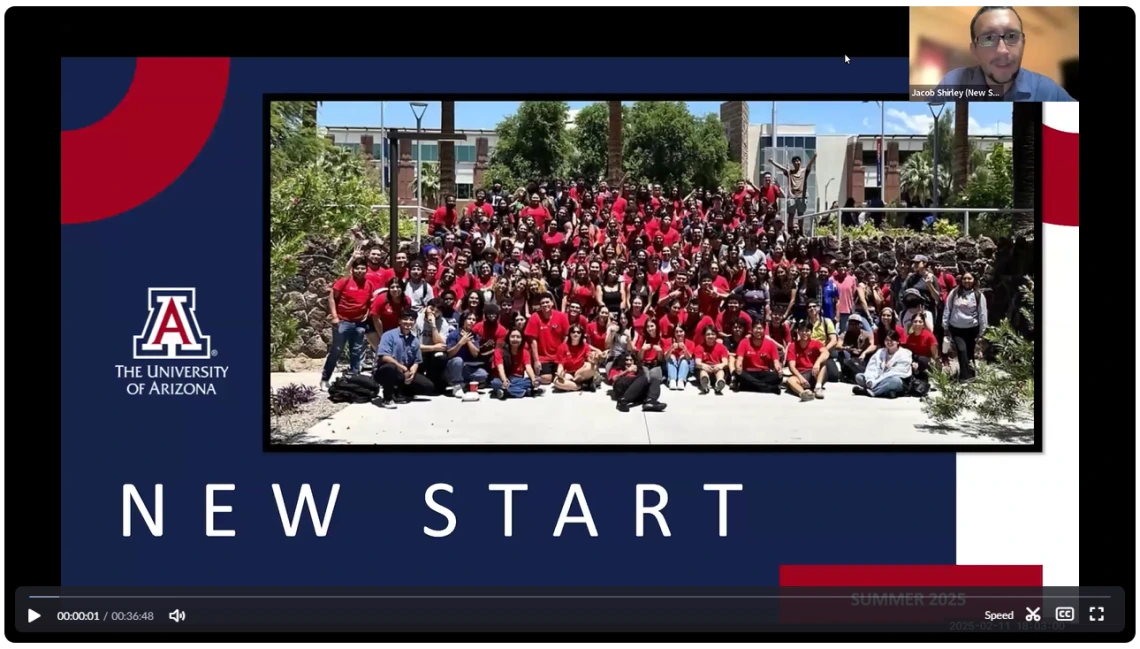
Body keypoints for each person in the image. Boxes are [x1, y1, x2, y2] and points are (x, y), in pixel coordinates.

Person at [937, 6, 1074, 102]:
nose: (1003, 50)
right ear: (975, 50)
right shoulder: (953, 83)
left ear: (1023, 44)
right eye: (989, 38)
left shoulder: (1046, 91)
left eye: (1012, 36)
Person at [320, 258, 374, 390]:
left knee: (356, 352)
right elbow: (332, 297)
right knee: (336, 351)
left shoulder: (369, 284)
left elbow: (370, 300)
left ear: (366, 270)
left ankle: (355, 380)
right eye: (358, 268)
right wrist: (334, 316)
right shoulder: (344, 281)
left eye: (363, 268)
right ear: (353, 269)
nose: (360, 271)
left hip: (359, 323)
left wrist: (367, 312)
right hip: (343, 322)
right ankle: (325, 379)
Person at [374, 309, 436, 408]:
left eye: (411, 320)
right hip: (387, 371)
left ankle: (400, 391)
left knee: (428, 387)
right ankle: (387, 398)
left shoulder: (414, 340)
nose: (408, 322)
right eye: (405, 319)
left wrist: (413, 371)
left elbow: (417, 360)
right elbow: (384, 356)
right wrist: (404, 368)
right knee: (390, 367)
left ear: (415, 322)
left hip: (403, 373)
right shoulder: (389, 335)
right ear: (399, 321)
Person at [942, 270, 988, 381]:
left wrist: (982, 330)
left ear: (974, 280)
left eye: (969, 278)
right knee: (962, 350)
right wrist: (945, 325)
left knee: (970, 351)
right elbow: (948, 308)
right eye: (964, 279)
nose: (967, 281)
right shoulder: (954, 293)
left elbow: (982, 313)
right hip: (956, 328)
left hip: (972, 328)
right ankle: (964, 377)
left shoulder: (978, 295)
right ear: (961, 280)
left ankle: (972, 375)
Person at [524, 293, 570, 385]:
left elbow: (566, 336)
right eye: (542, 303)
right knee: (546, 379)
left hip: (559, 356)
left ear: (552, 303)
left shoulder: (561, 316)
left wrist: (562, 353)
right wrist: (536, 360)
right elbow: (533, 341)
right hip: (543, 357)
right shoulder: (534, 317)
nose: (545, 305)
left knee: (565, 376)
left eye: (547, 302)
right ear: (540, 306)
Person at [854, 329, 914, 398]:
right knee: (859, 376)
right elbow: (872, 367)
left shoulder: (905, 353)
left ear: (898, 341)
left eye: (892, 340)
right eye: (887, 340)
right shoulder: (880, 352)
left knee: (895, 381)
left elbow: (899, 371)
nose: (889, 342)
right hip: (877, 378)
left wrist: (878, 380)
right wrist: (871, 379)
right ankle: (887, 392)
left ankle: (872, 392)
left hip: (893, 380)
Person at [445, 312, 489, 398]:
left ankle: (464, 383)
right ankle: (457, 386)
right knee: (458, 360)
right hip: (453, 366)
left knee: (483, 375)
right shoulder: (453, 334)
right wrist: (460, 343)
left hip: (466, 367)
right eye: (469, 319)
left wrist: (468, 341)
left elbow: (475, 354)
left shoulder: (475, 336)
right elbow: (449, 354)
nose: (472, 321)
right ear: (463, 320)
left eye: (474, 320)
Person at [733, 320, 784, 395]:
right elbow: (739, 359)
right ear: (752, 329)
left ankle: (750, 387)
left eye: (760, 328)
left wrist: (778, 369)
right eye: (756, 328)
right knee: (740, 374)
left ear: (764, 330)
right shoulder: (744, 342)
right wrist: (738, 366)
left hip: (764, 372)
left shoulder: (771, 344)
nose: (758, 331)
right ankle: (770, 388)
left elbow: (776, 361)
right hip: (749, 372)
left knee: (777, 377)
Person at [489, 329, 538, 400]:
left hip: (517, 379)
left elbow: (528, 367)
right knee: (495, 383)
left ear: (522, 339)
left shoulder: (525, 352)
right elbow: (500, 367)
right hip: (501, 378)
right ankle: (527, 392)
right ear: (508, 338)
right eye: (512, 336)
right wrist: (504, 379)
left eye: (518, 337)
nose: (515, 339)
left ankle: (506, 392)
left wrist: (533, 379)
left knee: (538, 380)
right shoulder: (499, 351)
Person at [786, 322, 829, 402]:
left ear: (811, 332)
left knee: (824, 363)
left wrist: (817, 363)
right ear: (798, 332)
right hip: (801, 374)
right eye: (802, 330)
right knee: (790, 380)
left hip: (815, 372)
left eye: (807, 331)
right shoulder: (792, 346)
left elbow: (826, 353)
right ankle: (804, 393)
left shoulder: (816, 343)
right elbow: (791, 366)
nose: (804, 333)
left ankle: (818, 388)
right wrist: (800, 378)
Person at [770, 155, 816, 224]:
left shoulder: (804, 171)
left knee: (801, 214)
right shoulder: (790, 172)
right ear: (793, 163)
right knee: (791, 214)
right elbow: (781, 168)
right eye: (795, 161)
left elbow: (809, 165)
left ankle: (801, 231)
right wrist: (772, 162)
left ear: (800, 162)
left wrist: (814, 157)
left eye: (798, 161)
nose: (796, 162)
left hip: (801, 196)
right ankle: (790, 231)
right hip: (792, 196)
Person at [552, 324, 596, 392]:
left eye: (578, 332)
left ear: (581, 334)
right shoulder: (562, 347)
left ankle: (571, 385)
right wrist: (560, 374)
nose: (576, 334)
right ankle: (582, 386)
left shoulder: (585, 346)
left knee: (591, 366)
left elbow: (589, 359)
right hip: (568, 373)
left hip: (579, 373)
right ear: (570, 334)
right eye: (573, 332)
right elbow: (560, 365)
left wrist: (593, 360)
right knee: (556, 382)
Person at [835, 313, 873, 383]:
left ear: (860, 325)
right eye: (851, 323)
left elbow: (873, 345)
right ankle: (847, 374)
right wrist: (845, 348)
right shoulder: (844, 334)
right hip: (850, 357)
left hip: (863, 357)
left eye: (855, 323)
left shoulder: (867, 334)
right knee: (842, 353)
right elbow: (838, 346)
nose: (853, 326)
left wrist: (864, 353)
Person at [664, 325, 695, 391]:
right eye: (676, 332)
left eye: (681, 331)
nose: (679, 334)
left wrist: (685, 349)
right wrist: (671, 348)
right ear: (674, 333)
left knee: (683, 358)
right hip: (672, 366)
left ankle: (681, 380)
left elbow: (689, 358)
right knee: (671, 357)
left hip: (684, 366)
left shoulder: (690, 343)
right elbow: (666, 358)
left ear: (684, 332)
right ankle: (672, 380)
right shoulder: (667, 341)